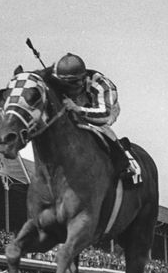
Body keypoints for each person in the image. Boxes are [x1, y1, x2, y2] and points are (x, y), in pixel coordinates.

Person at [52, 53, 141, 184]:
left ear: (83, 79)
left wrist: (77, 109)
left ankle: (126, 161)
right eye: (65, 85)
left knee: (99, 127)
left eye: (72, 84)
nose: (68, 89)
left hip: (105, 109)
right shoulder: (61, 83)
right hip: (80, 104)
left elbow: (104, 115)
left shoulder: (102, 85)